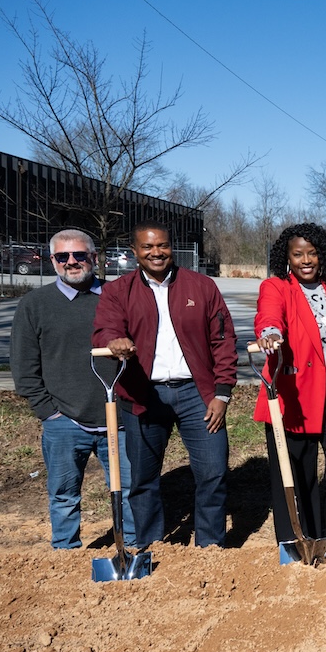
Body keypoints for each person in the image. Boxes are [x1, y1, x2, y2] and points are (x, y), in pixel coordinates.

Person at [93, 222, 236, 548]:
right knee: (142, 480)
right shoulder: (118, 291)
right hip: (143, 395)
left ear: (172, 248)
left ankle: (210, 548)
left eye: (162, 246)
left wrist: (222, 393)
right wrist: (114, 340)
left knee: (213, 474)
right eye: (147, 247)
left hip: (197, 394)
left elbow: (224, 340)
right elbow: (104, 328)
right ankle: (151, 548)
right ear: (135, 252)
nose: (156, 252)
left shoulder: (201, 287)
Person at [10, 229, 133, 549]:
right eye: (63, 257)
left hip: (118, 420)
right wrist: (49, 413)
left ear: (95, 257)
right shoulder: (35, 304)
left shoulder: (119, 296)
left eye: (80, 255)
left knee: (130, 491)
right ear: (52, 261)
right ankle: (65, 553)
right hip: (64, 421)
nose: (72, 262)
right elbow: (23, 367)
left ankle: (133, 548)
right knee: (63, 495)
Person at [252, 223, 326, 541]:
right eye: (298, 254)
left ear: (322, 255)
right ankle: (300, 539)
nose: (306, 260)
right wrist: (270, 334)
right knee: (295, 470)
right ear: (287, 258)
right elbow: (269, 316)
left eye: (312, 253)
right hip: (294, 390)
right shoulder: (276, 287)